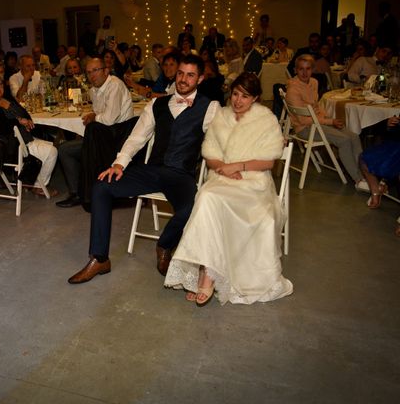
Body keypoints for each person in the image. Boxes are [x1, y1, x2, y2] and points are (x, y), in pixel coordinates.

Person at [67, 54, 220, 284]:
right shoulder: (157, 104)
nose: (183, 79)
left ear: (199, 79)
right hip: (153, 170)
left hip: (181, 175)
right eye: (180, 73)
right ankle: (99, 259)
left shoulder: (210, 107)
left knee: (193, 207)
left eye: (190, 75)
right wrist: (119, 164)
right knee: (101, 187)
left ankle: (165, 245)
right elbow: (137, 138)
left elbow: (220, 141)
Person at [164, 72, 293, 306]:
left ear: (255, 98)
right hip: (222, 177)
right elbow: (209, 152)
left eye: (245, 96)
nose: (238, 101)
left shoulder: (266, 119)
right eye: (235, 94)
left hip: (254, 183)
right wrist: (223, 167)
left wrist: (238, 166)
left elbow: (268, 161)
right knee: (206, 196)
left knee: (210, 198)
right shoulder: (221, 117)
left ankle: (207, 275)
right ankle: (208, 273)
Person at [56, 58, 135, 208]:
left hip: (117, 139)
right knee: (64, 149)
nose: (92, 75)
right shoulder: (94, 90)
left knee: (72, 145)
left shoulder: (115, 86)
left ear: (105, 71)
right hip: (101, 137)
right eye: (89, 72)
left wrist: (93, 117)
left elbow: (109, 119)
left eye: (96, 70)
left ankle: (87, 192)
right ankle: (77, 193)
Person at [286, 55, 365, 188]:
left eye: (308, 69)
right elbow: (303, 119)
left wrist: (328, 119)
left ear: (312, 69)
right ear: (295, 70)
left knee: (354, 136)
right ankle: (358, 180)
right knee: (344, 140)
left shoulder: (313, 82)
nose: (305, 73)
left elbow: (317, 106)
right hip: (304, 128)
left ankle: (364, 174)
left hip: (319, 122)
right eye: (301, 69)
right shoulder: (293, 89)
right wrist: (329, 122)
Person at [0, 71, 58, 196]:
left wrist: (25, 118)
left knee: (49, 145)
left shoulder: (6, 99)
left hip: (21, 140)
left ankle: (31, 182)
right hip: (7, 149)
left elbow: (24, 112)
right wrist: (19, 120)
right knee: (52, 151)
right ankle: (36, 186)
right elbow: (2, 127)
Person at [359, 116, 400, 209]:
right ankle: (376, 192)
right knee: (364, 158)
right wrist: (388, 124)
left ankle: (386, 183)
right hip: (395, 145)